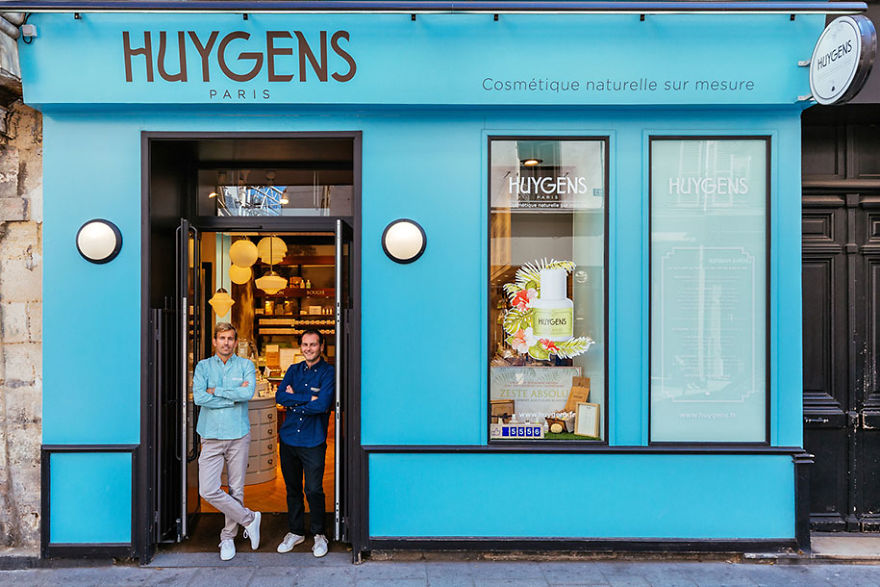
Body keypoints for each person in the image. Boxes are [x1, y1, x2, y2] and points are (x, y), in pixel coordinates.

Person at [193, 322, 261, 561]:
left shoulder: (246, 365)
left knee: (236, 489)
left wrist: (217, 391)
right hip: (211, 436)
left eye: (230, 338)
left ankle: (228, 538)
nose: (226, 343)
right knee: (208, 489)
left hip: (238, 435)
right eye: (222, 338)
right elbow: (199, 397)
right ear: (214, 341)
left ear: (235, 342)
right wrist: (231, 395)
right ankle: (249, 519)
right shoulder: (202, 367)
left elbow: (247, 394)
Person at [274, 329, 334, 557]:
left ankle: (319, 534)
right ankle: (296, 532)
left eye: (313, 344)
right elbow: (280, 397)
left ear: (321, 346)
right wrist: (308, 398)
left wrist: (294, 402)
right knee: (293, 489)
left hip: (313, 441)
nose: (308, 348)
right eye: (305, 344)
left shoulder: (328, 372)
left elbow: (322, 406)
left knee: (314, 489)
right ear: (301, 346)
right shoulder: (293, 370)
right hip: (288, 439)